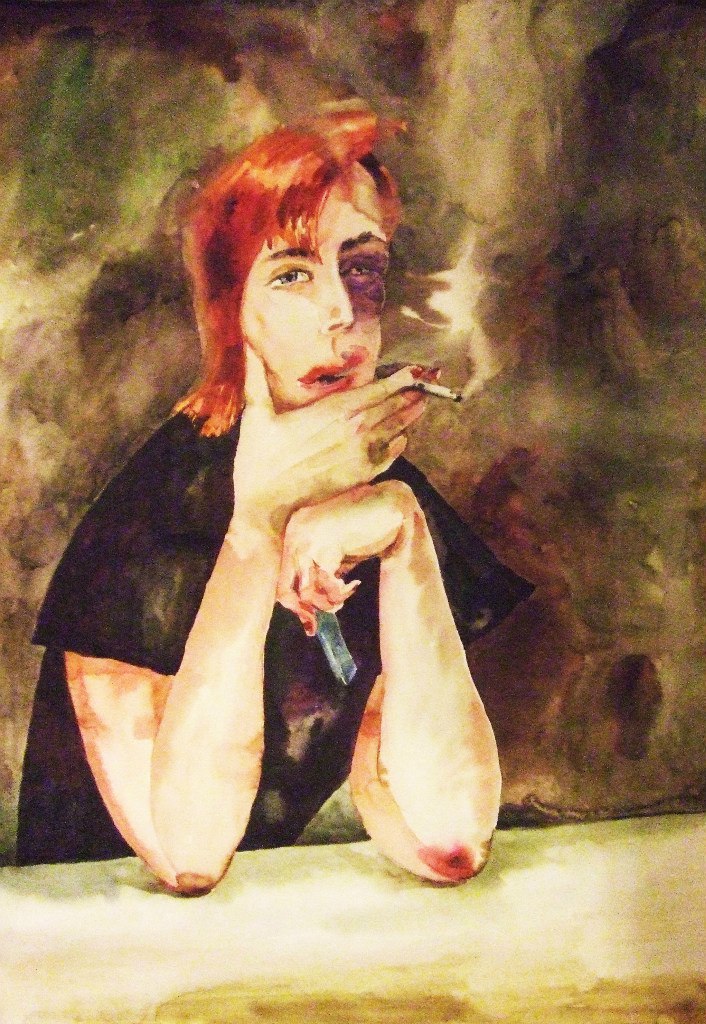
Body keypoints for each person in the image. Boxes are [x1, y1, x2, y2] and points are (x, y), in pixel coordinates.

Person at [17, 109, 533, 894]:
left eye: (362, 268)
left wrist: (405, 533)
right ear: (230, 310)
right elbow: (189, 855)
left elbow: (450, 836)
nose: (341, 312)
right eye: (292, 274)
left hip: (271, 936)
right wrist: (255, 531)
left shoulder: (377, 490)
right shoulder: (143, 521)